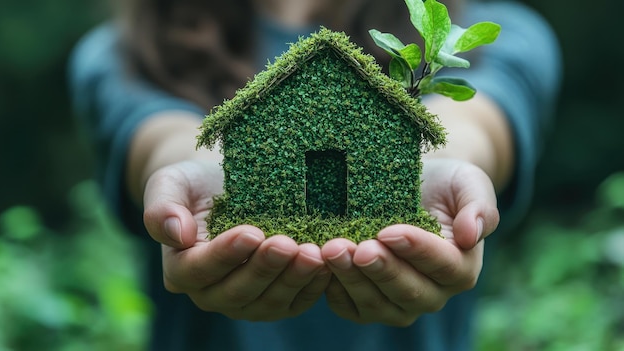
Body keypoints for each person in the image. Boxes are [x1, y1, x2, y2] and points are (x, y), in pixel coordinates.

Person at [68, 0, 561, 350]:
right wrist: (194, 169)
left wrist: (440, 163)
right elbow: (162, 134)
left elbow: (472, 123)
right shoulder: (124, 51)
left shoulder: (501, 30)